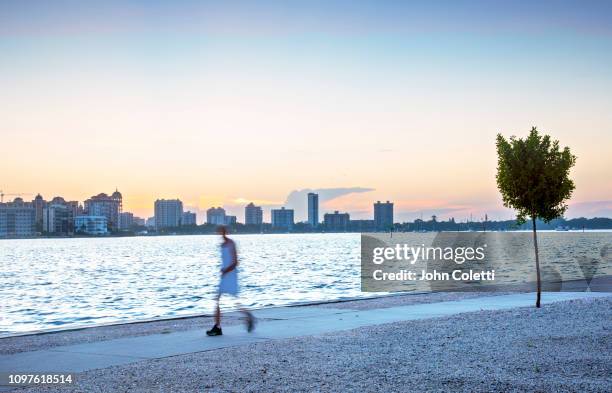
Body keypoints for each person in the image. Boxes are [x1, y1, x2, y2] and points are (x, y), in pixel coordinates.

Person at [206, 226, 255, 336]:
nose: (220, 233)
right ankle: (217, 327)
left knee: (234, 301)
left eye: (222, 231)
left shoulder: (231, 243)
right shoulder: (222, 245)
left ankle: (248, 316)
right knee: (218, 299)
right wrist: (223, 271)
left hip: (230, 275)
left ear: (225, 232)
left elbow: (235, 262)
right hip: (225, 275)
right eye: (219, 232)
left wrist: (225, 270)